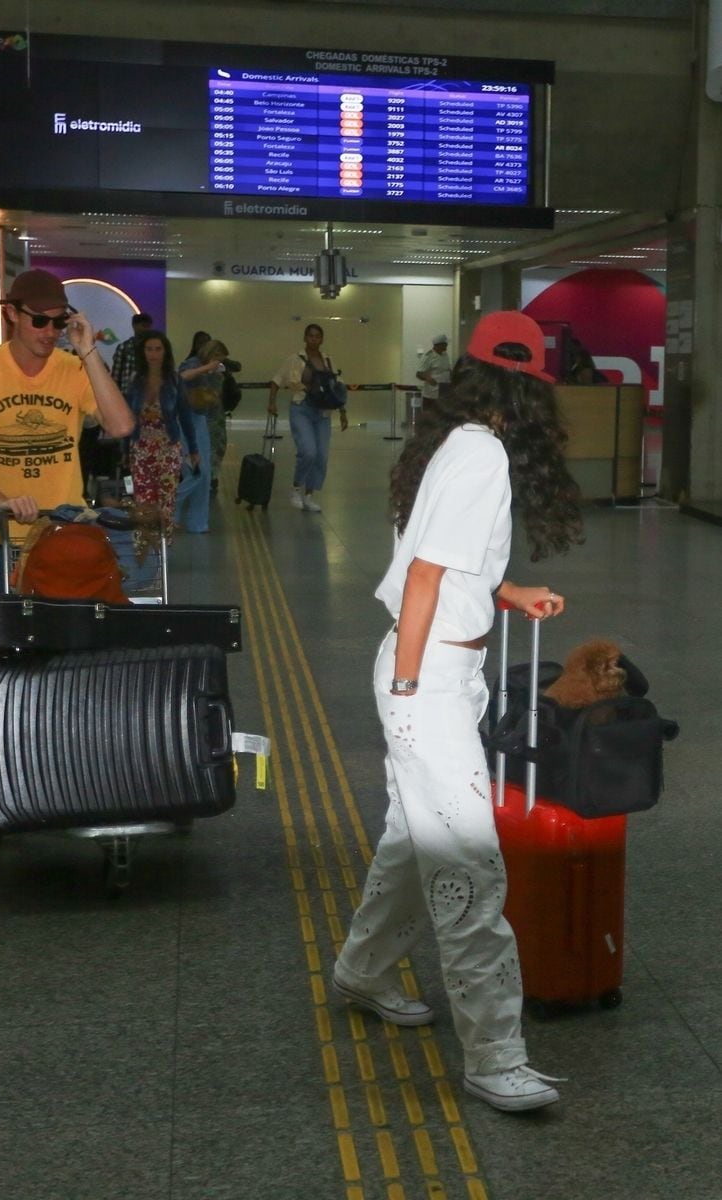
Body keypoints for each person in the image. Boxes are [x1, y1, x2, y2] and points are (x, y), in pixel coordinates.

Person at [332, 311, 584, 1114]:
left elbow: (440, 561)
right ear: (533, 387)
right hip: (430, 681)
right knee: (472, 866)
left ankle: (363, 971)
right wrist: (411, 696)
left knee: (417, 841)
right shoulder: (481, 456)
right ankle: (495, 1055)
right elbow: (423, 580)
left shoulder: (458, 444)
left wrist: (507, 593)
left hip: (445, 671)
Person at [0, 268, 135, 593]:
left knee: (63, 635)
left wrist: (88, 353)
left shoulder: (73, 369)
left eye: (59, 322)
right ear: (12, 313)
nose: (49, 332)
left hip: (63, 531)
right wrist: (0, 501)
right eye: (40, 321)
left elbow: (121, 425)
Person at [124, 330, 199, 543]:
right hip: (141, 448)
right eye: (149, 349)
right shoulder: (135, 381)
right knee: (144, 499)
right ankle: (145, 545)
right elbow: (127, 417)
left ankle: (163, 547)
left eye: (158, 349)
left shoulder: (174, 381)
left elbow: (185, 416)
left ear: (165, 352)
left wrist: (193, 449)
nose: (153, 354)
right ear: (143, 352)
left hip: (168, 448)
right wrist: (123, 450)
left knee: (166, 500)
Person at [268, 323, 348, 513]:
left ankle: (309, 495)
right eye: (310, 336)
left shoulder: (328, 360)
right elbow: (276, 380)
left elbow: (337, 386)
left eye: (317, 336)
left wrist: (343, 412)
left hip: (323, 412)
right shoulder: (295, 359)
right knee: (308, 450)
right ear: (305, 338)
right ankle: (296, 487)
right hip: (302, 408)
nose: (314, 339)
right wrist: (272, 402)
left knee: (321, 455)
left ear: (322, 339)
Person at [174, 338, 230, 533]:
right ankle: (171, 507)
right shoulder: (193, 363)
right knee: (197, 470)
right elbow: (181, 376)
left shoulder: (212, 372)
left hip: (201, 418)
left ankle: (198, 522)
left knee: (204, 476)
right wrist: (206, 368)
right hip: (185, 420)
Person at [111, 312, 153, 395]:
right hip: (127, 395)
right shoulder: (124, 348)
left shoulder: (153, 349)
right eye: (144, 326)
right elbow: (116, 376)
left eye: (149, 327)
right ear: (134, 326)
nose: (147, 330)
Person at [415, 333, 452, 410]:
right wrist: (428, 378)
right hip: (432, 393)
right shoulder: (429, 356)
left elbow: (447, 369)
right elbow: (419, 373)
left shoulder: (445, 355)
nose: (446, 346)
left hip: (444, 391)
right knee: (430, 414)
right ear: (438, 345)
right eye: (445, 344)